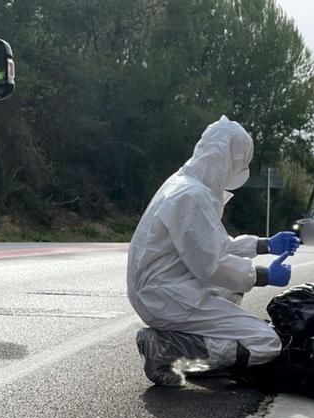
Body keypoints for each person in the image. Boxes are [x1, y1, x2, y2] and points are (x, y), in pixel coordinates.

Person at [127, 116, 300, 387]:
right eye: (240, 164)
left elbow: (211, 246)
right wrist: (263, 275)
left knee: (232, 289)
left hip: (164, 288)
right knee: (266, 342)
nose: (241, 171)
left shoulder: (186, 185)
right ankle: (168, 347)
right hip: (166, 295)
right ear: (226, 159)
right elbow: (214, 264)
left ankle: (185, 343)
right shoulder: (190, 196)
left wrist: (264, 244)